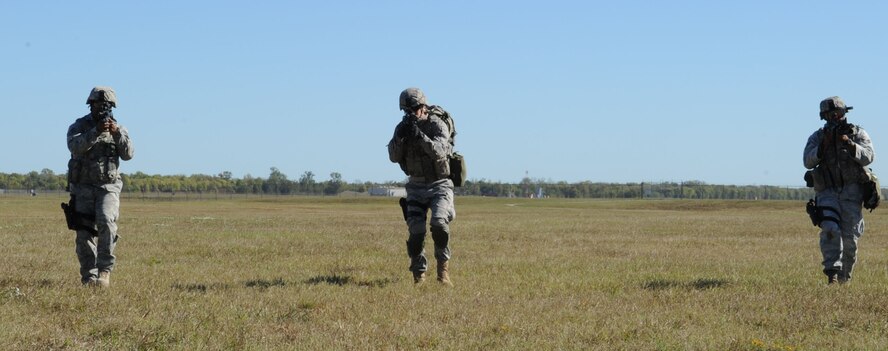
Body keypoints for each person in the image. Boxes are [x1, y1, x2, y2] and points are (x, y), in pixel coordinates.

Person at [66, 86, 134, 287]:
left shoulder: (118, 128)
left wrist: (116, 134)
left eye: (108, 105)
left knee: (106, 221)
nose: (103, 109)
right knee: (84, 232)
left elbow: (129, 154)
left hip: (108, 186)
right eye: (99, 105)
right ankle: (89, 277)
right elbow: (74, 146)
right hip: (83, 187)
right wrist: (95, 131)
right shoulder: (79, 126)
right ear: (91, 104)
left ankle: (104, 271)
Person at [388, 87, 456, 286]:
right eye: (406, 111)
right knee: (416, 231)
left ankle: (443, 272)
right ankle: (419, 276)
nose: (411, 113)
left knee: (439, 223)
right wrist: (400, 138)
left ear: (423, 106)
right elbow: (393, 157)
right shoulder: (402, 127)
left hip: (439, 184)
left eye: (415, 108)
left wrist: (420, 136)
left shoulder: (437, 125)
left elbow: (441, 151)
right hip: (416, 186)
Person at [803, 96, 875, 284]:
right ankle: (832, 274)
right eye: (831, 114)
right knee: (830, 228)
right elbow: (807, 161)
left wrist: (850, 145)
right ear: (824, 117)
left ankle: (844, 279)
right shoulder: (817, 137)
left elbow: (869, 156)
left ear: (845, 113)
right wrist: (822, 147)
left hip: (852, 192)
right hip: (827, 191)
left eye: (839, 113)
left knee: (850, 241)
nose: (836, 117)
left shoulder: (857, 133)